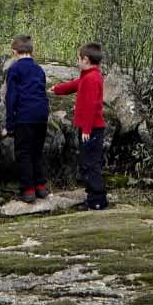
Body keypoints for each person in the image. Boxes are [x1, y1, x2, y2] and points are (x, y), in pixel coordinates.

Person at [51, 42, 107, 210]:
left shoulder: (91, 78)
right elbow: (76, 84)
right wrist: (58, 89)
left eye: (78, 59)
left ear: (86, 59)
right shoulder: (89, 75)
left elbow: (90, 106)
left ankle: (97, 200)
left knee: (91, 164)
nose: (77, 61)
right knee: (86, 162)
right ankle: (93, 197)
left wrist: (87, 129)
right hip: (90, 128)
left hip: (92, 129)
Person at [2, 34, 49, 203]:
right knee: (37, 151)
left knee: (24, 152)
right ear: (32, 51)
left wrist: (10, 124)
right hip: (41, 116)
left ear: (14, 52)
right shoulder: (39, 69)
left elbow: (11, 97)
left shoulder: (14, 70)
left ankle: (28, 190)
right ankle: (41, 186)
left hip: (24, 116)